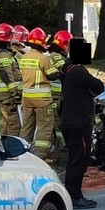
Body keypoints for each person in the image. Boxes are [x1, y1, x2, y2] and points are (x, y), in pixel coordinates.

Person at [60, 61, 105, 209]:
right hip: (78, 124)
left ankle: (71, 194)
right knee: (79, 160)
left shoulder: (67, 72)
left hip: (70, 123)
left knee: (75, 158)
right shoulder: (78, 71)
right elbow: (99, 86)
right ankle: (75, 196)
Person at [19, 27, 60, 160]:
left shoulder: (23, 58)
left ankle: (22, 154)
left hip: (26, 99)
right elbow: (52, 75)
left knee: (27, 128)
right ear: (42, 42)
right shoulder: (43, 59)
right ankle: (39, 156)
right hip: (42, 100)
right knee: (44, 127)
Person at [0, 23, 23, 136]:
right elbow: (5, 73)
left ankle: (1, 147)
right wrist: (15, 92)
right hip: (7, 95)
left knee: (5, 123)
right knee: (14, 125)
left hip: (1, 96)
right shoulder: (4, 55)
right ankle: (13, 149)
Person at [47, 30, 72, 160]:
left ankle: (60, 146)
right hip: (54, 95)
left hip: (58, 95)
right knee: (56, 122)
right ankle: (60, 146)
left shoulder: (57, 55)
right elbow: (65, 69)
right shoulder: (55, 56)